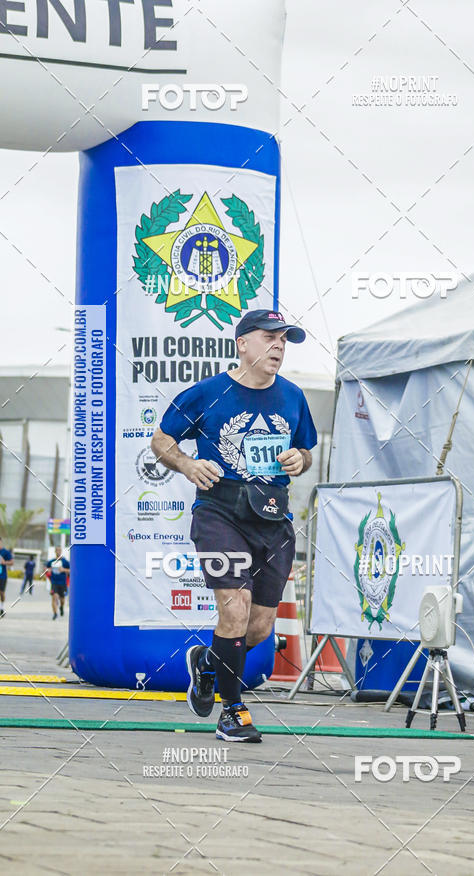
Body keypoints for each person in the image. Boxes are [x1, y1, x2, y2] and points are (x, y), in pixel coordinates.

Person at [152, 309, 317, 743]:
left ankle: (207, 665)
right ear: (243, 343)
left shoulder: (293, 396)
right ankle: (234, 710)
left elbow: (305, 450)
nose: (279, 346)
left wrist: (302, 460)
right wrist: (187, 464)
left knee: (259, 627)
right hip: (220, 512)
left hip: (272, 518)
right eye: (269, 337)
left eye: (285, 340)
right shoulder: (207, 393)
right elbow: (161, 440)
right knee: (235, 609)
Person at [45, 546, 70, 620]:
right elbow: (46, 569)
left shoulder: (65, 562)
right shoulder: (51, 561)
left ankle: (61, 607)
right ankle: (55, 613)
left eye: (59, 550)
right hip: (54, 583)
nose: (58, 552)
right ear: (55, 551)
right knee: (54, 597)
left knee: (62, 600)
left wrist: (64, 570)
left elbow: (71, 570)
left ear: (61, 551)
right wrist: (48, 570)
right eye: (57, 550)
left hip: (63, 583)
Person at [0, 538, 14, 618]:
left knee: (1, 592)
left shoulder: (5, 552)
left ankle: (2, 607)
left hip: (2, 576)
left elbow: (12, 562)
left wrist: (4, 562)